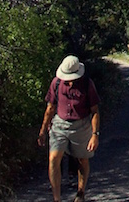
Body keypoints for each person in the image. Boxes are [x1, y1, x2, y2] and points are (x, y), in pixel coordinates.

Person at [38, 55, 100, 202]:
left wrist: (95, 134)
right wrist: (42, 130)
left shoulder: (87, 84)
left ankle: (80, 192)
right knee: (53, 158)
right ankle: (56, 199)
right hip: (59, 124)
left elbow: (95, 110)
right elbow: (50, 107)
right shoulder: (57, 83)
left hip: (81, 125)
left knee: (82, 160)